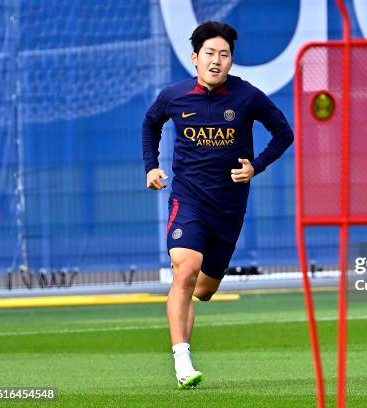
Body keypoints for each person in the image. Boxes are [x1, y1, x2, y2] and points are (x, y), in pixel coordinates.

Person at [141, 21, 293, 389]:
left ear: (231, 61)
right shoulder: (174, 96)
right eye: (209, 53)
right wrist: (152, 166)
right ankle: (182, 360)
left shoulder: (246, 96)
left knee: (203, 289)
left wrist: (256, 166)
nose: (216, 60)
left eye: (224, 54)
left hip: (228, 209)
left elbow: (283, 132)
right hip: (188, 199)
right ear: (195, 58)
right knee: (185, 269)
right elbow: (150, 123)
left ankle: (186, 302)